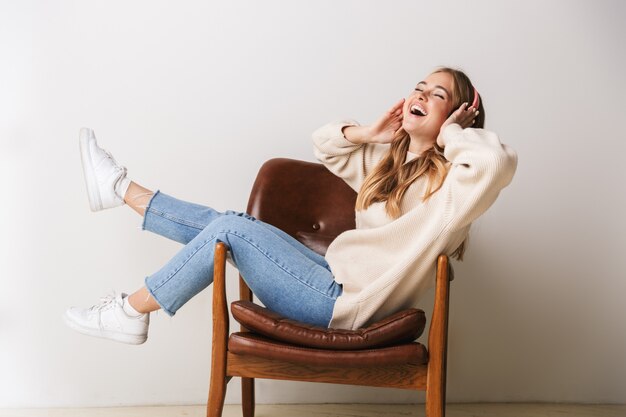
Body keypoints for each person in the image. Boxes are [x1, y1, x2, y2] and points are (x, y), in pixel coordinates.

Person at [64, 66, 517, 344]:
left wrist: (455, 133)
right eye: (419, 87)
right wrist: (372, 134)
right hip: (327, 280)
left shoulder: (452, 189)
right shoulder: (387, 164)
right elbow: (325, 144)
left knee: (232, 231)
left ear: (460, 114)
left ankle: (129, 311)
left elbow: (494, 161)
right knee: (230, 222)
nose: (420, 96)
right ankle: (121, 189)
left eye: (438, 95)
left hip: (345, 307)